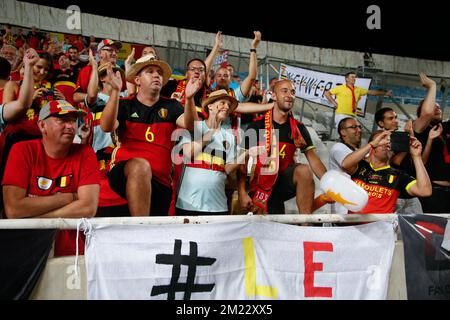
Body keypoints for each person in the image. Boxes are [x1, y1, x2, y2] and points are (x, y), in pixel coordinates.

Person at [100, 55, 201, 216]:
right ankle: (140, 230)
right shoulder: (125, 104)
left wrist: (189, 99)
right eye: (150, 71)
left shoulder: (172, 105)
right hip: (125, 174)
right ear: (138, 80)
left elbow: (192, 127)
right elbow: (106, 126)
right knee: (140, 166)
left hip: (161, 183)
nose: (156, 75)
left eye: (159, 73)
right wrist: (115, 93)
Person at [2, 99, 99, 256]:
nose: (70, 126)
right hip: (27, 250)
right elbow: (13, 209)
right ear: (42, 125)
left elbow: (88, 207)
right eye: (62, 120)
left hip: (72, 251)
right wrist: (68, 198)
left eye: (73, 120)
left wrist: (38, 217)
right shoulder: (22, 150)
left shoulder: (85, 153)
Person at [238, 79, 327, 214]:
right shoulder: (256, 126)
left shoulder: (299, 129)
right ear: (273, 96)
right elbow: (242, 163)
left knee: (304, 170)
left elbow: (313, 159)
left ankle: (305, 225)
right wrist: (242, 192)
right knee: (267, 229)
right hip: (259, 186)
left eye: (292, 92)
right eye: (284, 91)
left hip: (283, 182)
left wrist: (330, 182)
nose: (289, 95)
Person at [175, 90, 262, 215]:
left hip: (218, 206)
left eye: (228, 105)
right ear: (210, 106)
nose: (226, 107)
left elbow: (227, 169)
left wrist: (247, 153)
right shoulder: (194, 126)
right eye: (222, 103)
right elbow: (188, 153)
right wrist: (211, 131)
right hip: (188, 203)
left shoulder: (230, 137)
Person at [341, 130, 432, 214]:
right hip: (352, 227)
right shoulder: (360, 166)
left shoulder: (399, 176)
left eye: (389, 141)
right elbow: (345, 164)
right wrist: (371, 144)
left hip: (380, 229)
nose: (386, 143)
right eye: (382, 139)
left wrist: (417, 156)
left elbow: (425, 191)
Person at [374, 107, 424, 214]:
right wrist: (409, 137)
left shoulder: (399, 136)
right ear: (381, 123)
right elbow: (395, 161)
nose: (395, 120)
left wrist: (410, 136)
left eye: (395, 117)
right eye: (390, 118)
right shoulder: (378, 139)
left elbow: (411, 159)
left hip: (408, 189)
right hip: (393, 192)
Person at [413, 73, 449, 213]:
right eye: (433, 105)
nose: (437, 108)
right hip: (434, 191)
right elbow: (426, 113)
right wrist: (432, 86)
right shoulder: (419, 129)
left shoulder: (444, 128)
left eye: (439, 106)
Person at [324, 71, 393, 128]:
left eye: (355, 77)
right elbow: (327, 93)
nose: (354, 79)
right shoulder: (340, 88)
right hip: (341, 114)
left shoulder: (358, 89)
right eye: (352, 77)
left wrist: (385, 93)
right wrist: (334, 103)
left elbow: (371, 92)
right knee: (343, 132)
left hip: (353, 115)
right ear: (347, 79)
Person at [328, 117, 363, 213]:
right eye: (354, 127)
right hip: (343, 209)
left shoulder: (358, 151)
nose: (359, 130)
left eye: (359, 127)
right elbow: (351, 168)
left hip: (358, 203)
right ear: (343, 132)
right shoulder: (338, 148)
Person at [73, 39, 123, 104]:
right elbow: (76, 97)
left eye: (116, 51)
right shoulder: (88, 70)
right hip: (93, 112)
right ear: (99, 53)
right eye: (110, 50)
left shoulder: (120, 72)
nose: (114, 54)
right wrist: (100, 97)